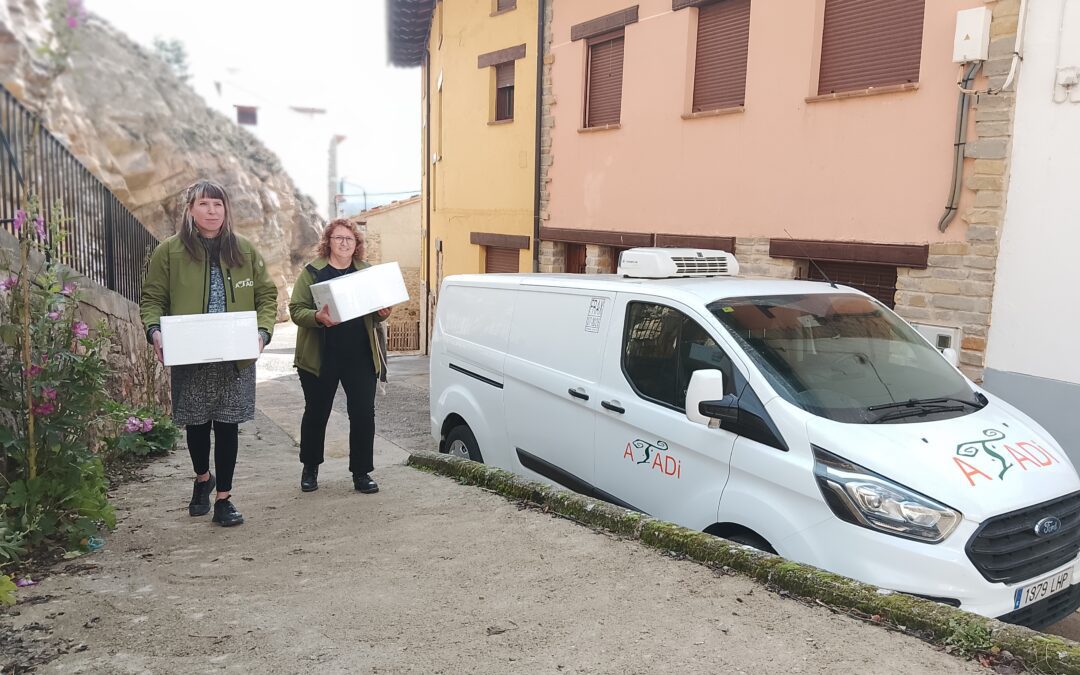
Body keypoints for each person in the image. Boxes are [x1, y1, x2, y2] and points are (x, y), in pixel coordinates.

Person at [140, 179, 278, 527]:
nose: (212, 211)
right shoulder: (169, 251)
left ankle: (224, 500)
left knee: (228, 425)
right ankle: (203, 478)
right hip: (191, 352)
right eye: (204, 204)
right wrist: (155, 331)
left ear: (226, 209)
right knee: (197, 425)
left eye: (218, 204)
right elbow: (153, 298)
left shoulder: (244, 250)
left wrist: (262, 333)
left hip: (236, 355)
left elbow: (266, 296)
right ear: (190, 210)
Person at [289, 219, 391, 494]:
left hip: (359, 355)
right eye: (338, 238)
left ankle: (362, 473)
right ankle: (310, 468)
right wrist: (317, 317)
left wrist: (384, 312)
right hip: (320, 356)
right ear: (328, 242)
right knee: (316, 413)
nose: (345, 243)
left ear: (356, 244)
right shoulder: (312, 272)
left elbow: (378, 310)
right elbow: (295, 309)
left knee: (362, 414)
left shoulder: (367, 272)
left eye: (350, 239)